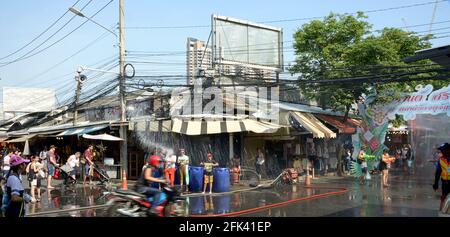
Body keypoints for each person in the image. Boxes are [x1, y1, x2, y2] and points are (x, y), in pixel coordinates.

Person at [433, 143, 450, 211]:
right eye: (441, 150)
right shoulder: (441, 160)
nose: (442, 152)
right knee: (443, 197)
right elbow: (438, 172)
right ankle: (442, 210)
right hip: (445, 183)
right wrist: (436, 183)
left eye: (443, 150)